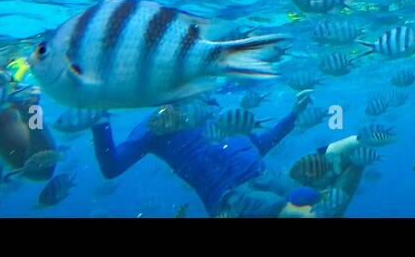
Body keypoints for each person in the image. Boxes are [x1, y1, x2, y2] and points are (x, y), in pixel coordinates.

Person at [91, 89, 356, 217]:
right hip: (232, 198)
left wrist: (293, 115)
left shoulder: (212, 106)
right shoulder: (156, 124)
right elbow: (111, 166)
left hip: (266, 177)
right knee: (303, 216)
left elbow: (259, 146)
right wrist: (97, 115)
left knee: (355, 154)